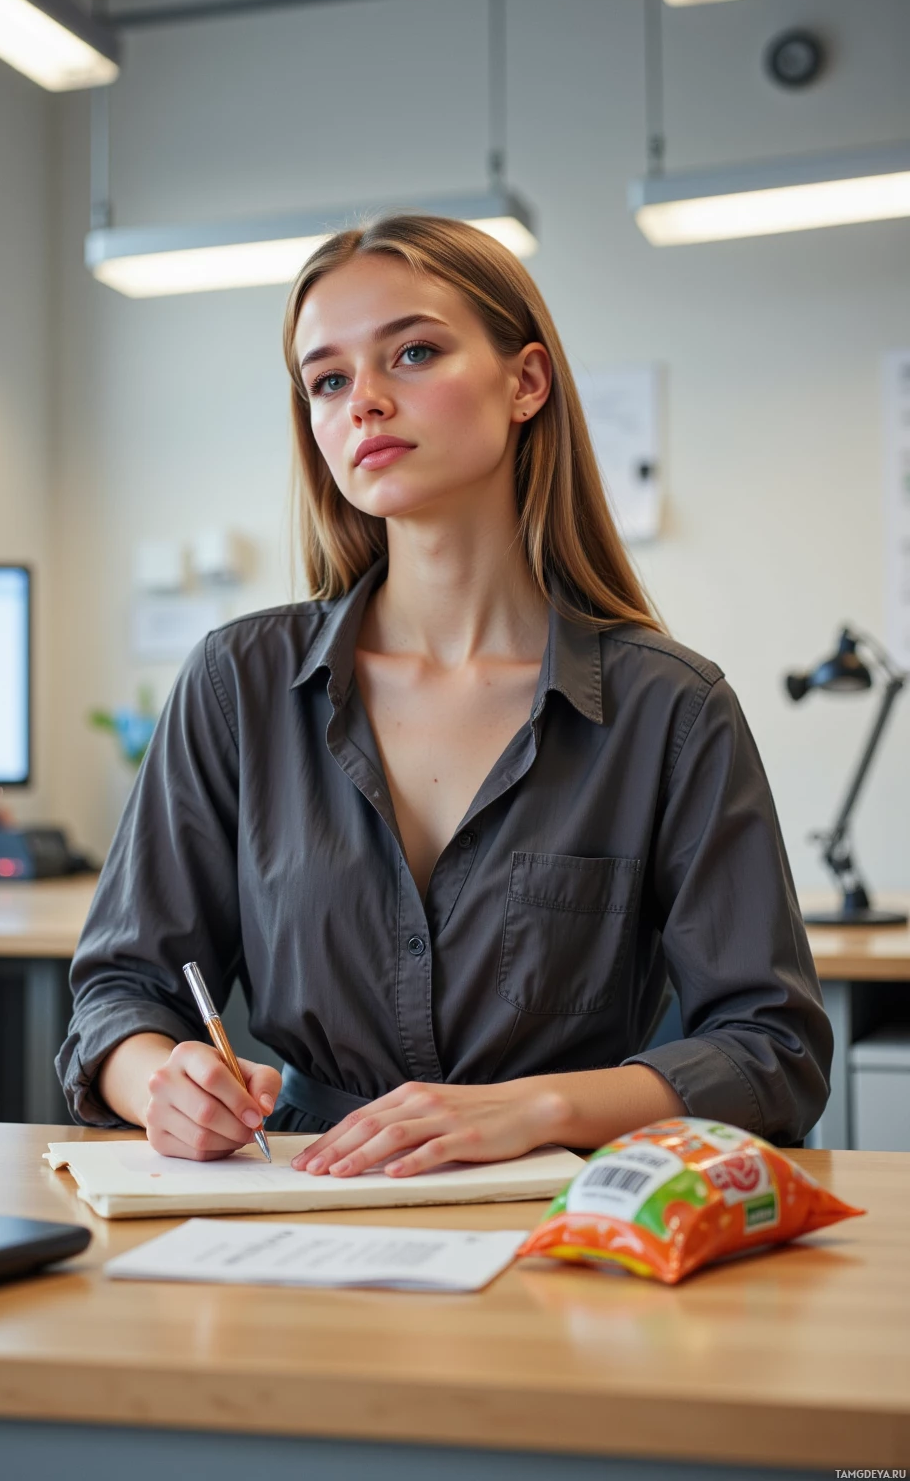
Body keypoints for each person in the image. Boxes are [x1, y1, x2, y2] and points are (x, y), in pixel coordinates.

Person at [57, 215, 831, 1178]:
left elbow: (774, 1049)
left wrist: (535, 1110)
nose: (365, 403)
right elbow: (123, 992)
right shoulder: (236, 684)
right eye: (328, 380)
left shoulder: (670, 710)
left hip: (565, 1220)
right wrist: (159, 1083)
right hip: (300, 1206)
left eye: (412, 352)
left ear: (526, 382)